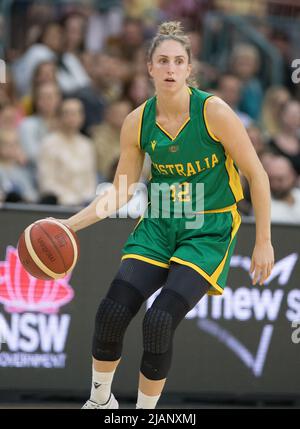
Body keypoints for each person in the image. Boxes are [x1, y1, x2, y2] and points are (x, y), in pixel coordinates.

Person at [54, 22, 274, 409]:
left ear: (190, 69)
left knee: (158, 321)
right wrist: (68, 225)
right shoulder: (138, 121)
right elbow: (121, 190)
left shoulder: (214, 112)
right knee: (111, 310)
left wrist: (264, 241)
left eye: (178, 61)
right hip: (160, 220)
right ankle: (100, 402)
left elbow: (257, 174)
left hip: (208, 226)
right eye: (162, 61)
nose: (171, 68)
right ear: (150, 68)